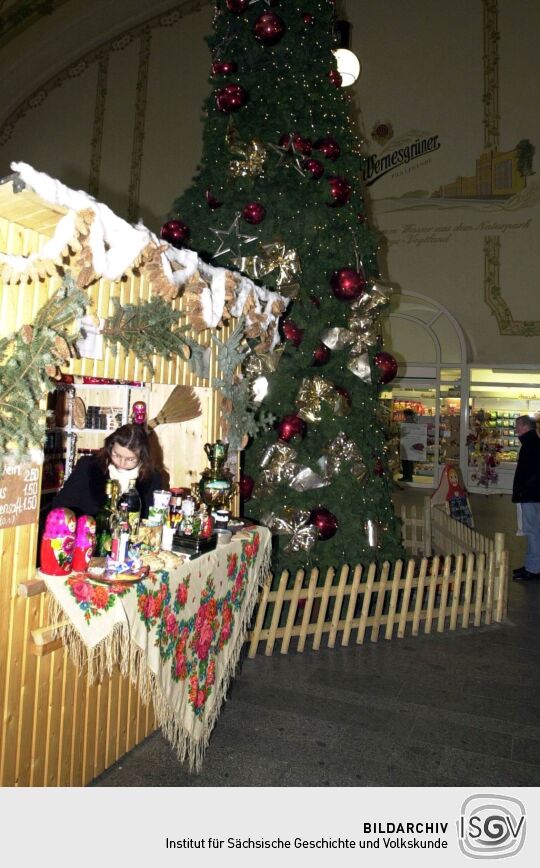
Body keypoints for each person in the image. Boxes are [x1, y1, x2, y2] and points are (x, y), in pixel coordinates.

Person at [51, 423, 163, 519]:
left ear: (142, 456)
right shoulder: (88, 466)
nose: (122, 463)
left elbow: (152, 520)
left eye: (130, 459)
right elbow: (61, 506)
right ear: (110, 447)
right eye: (116, 455)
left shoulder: (153, 478)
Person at [512, 414, 540, 581]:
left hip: (531, 495)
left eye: (517, 426)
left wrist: (523, 490)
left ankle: (534, 568)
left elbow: (534, 473)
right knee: (533, 530)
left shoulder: (531, 445)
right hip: (532, 494)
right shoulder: (532, 443)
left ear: (524, 427)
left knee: (532, 530)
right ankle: (532, 564)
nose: (516, 430)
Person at [399, 407, 416, 482]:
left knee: (405, 461)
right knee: (410, 461)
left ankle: (406, 476)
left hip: (406, 444)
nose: (404, 416)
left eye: (405, 414)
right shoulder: (414, 423)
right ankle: (409, 476)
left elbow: (403, 434)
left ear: (407, 415)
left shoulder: (405, 423)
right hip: (412, 444)